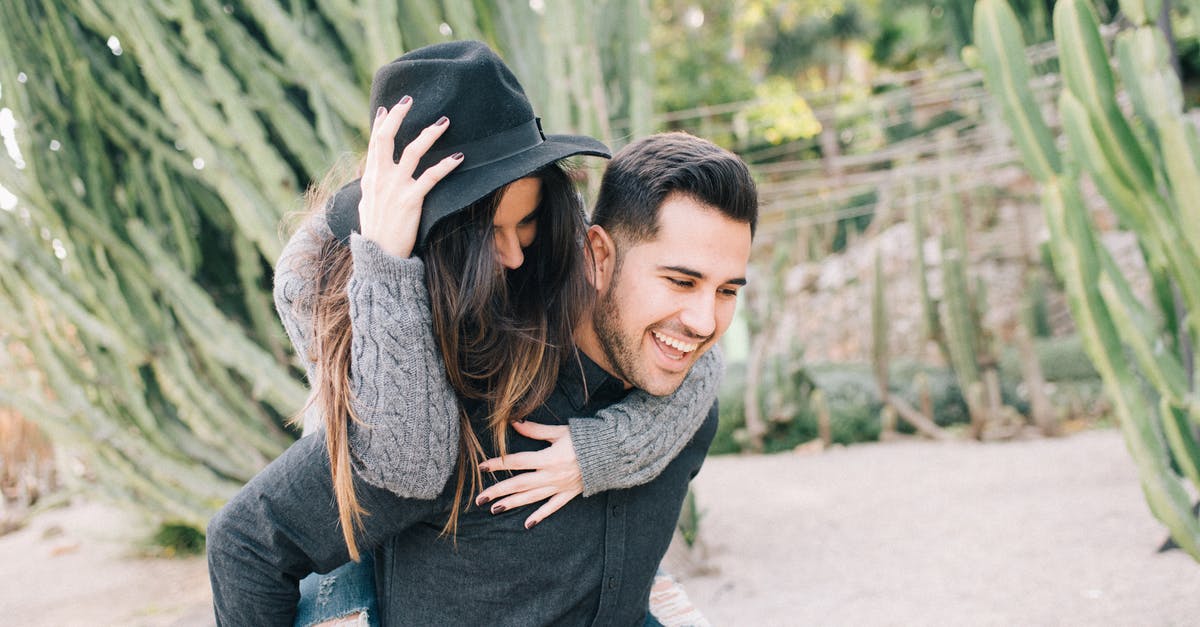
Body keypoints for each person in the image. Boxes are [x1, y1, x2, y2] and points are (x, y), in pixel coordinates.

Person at [209, 42, 725, 625]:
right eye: (486, 237)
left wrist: (601, 452)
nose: (511, 253)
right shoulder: (319, 284)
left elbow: (693, 348)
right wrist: (385, 261)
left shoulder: (562, 244)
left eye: (525, 221)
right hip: (379, 454)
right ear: (424, 235)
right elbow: (410, 466)